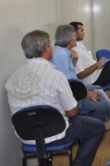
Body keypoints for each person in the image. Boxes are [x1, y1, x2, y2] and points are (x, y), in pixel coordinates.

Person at [5, 30, 104, 166]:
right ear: (46, 48)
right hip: (57, 133)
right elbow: (72, 111)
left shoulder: (12, 79)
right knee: (97, 127)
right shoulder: (56, 76)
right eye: (50, 45)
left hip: (26, 136)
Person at [51, 24, 110, 130]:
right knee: (105, 104)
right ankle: (96, 128)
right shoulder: (61, 55)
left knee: (98, 87)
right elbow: (67, 85)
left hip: (74, 89)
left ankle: (104, 122)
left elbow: (69, 74)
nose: (76, 37)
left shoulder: (62, 51)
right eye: (74, 36)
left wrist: (74, 60)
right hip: (71, 95)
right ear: (68, 39)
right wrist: (86, 94)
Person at [69, 21, 110, 88]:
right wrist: (97, 64)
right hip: (94, 80)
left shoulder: (80, 45)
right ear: (75, 32)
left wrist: (100, 63)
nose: (84, 33)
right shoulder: (75, 50)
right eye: (81, 30)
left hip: (99, 73)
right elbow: (80, 75)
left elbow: (88, 65)